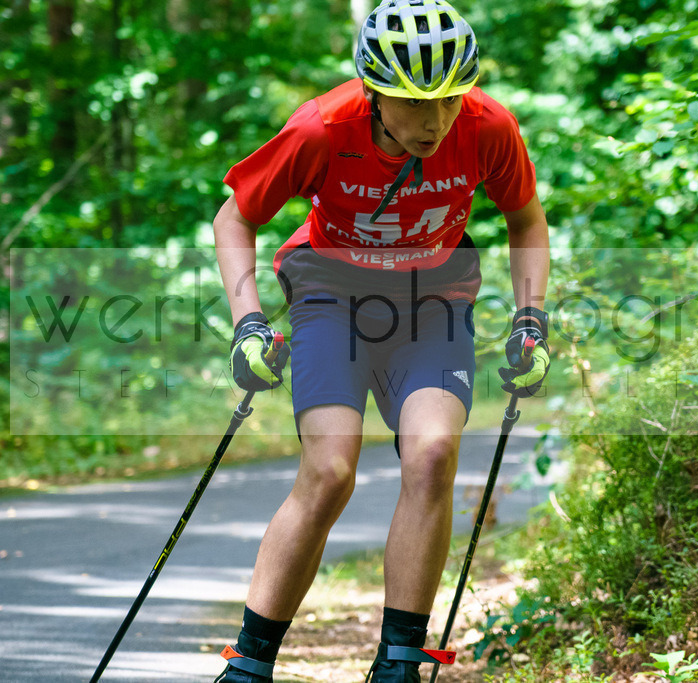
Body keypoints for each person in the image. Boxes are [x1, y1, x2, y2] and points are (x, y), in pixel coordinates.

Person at [211, 1, 551, 681]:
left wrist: (530, 318)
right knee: (330, 469)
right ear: (373, 91)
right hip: (331, 296)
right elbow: (234, 217)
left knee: (432, 454)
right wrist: (248, 321)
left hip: (434, 300)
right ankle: (249, 665)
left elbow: (525, 216)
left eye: (449, 100)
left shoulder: (488, 126)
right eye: (412, 103)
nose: (434, 121)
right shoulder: (321, 128)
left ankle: (398, 661)